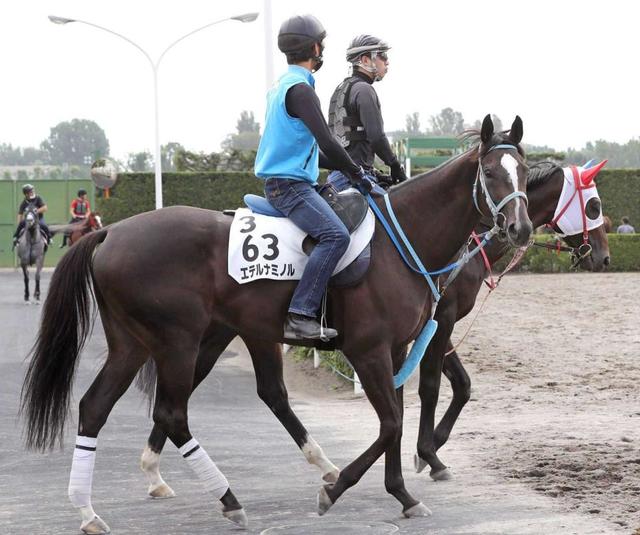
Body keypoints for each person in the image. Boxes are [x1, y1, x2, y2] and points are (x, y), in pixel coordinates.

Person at [255, 14, 371, 341]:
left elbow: (306, 150)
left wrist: (349, 169)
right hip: (290, 188)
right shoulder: (301, 91)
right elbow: (329, 142)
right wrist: (357, 172)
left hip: (294, 182)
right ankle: (300, 315)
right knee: (337, 237)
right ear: (315, 47)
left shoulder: (281, 87)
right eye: (322, 46)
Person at [327, 34, 408, 192]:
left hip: (337, 177)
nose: (387, 61)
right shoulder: (364, 90)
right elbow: (376, 137)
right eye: (381, 55)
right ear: (365, 60)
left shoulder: (340, 89)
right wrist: (395, 165)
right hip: (354, 179)